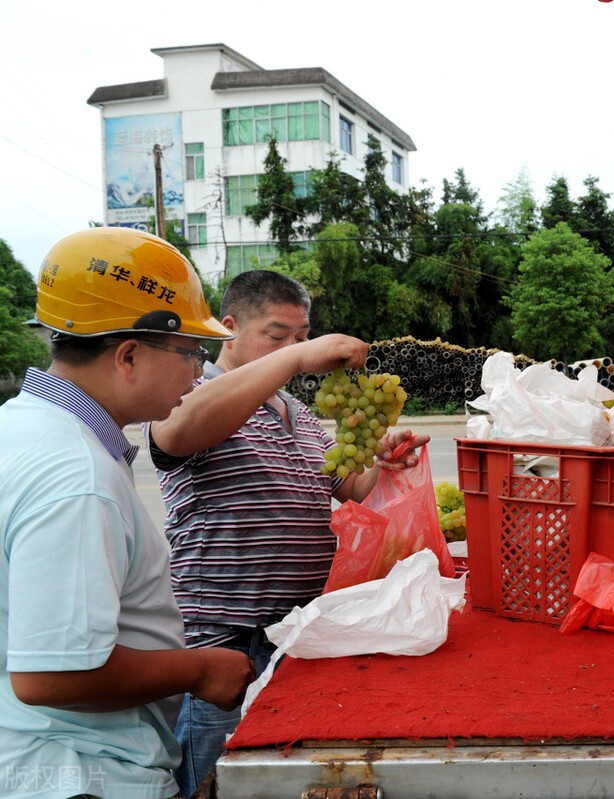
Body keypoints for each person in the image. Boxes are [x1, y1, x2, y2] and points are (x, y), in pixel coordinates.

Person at [144, 269, 429, 796]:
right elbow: (175, 433)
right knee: (215, 780)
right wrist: (295, 358)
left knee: (277, 778)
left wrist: (383, 462)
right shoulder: (193, 392)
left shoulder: (295, 410)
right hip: (225, 640)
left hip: (294, 631)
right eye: (277, 336)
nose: (296, 349)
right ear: (229, 328)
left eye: (301, 337)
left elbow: (347, 484)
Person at [0, 227, 257, 798]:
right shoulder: (75, 476)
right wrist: (201, 669)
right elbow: (51, 674)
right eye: (191, 353)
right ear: (129, 355)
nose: (199, 373)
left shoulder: (22, 429)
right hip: (81, 774)